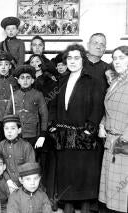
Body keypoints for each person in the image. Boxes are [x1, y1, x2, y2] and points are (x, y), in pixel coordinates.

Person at [48, 44, 104, 213]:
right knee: (67, 172)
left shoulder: (93, 81)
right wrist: (52, 126)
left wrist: (90, 129)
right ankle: (68, 207)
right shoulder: (62, 80)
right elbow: (53, 105)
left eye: (76, 58)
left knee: (84, 174)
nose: (72, 61)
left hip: (84, 134)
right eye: (69, 58)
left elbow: (98, 106)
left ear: (83, 60)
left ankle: (86, 207)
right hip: (64, 135)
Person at [98, 46, 128, 213]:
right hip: (111, 141)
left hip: (123, 144)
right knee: (113, 190)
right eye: (115, 58)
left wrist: (124, 139)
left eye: (122, 58)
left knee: (122, 192)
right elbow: (108, 109)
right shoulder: (116, 81)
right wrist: (102, 124)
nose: (117, 61)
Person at [6, 65, 48, 148]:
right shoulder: (14, 95)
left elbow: (44, 115)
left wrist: (43, 135)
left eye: (28, 78)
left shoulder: (38, 94)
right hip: (16, 133)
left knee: (31, 158)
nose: (25, 80)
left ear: (32, 80)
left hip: (32, 134)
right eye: (22, 78)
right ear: (18, 81)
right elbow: (8, 113)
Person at [0, 115, 35, 193]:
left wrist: (22, 183)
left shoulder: (26, 146)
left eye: (13, 128)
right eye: (6, 128)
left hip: (23, 185)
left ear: (19, 130)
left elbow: (30, 168)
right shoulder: (1, 145)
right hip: (6, 183)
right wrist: (8, 181)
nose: (9, 131)